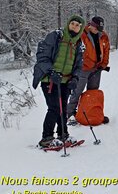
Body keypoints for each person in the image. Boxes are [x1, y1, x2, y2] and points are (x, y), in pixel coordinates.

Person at [32, 15, 85, 147]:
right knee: (54, 108)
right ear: (68, 24)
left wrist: (75, 78)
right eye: (72, 23)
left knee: (63, 109)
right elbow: (42, 56)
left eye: (78, 25)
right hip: (49, 79)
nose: (74, 26)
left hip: (65, 81)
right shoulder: (55, 36)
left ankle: (63, 135)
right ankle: (47, 138)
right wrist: (51, 71)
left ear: (81, 28)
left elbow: (79, 65)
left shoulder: (79, 44)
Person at [66, 16, 110, 124]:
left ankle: (91, 114)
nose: (97, 31)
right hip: (83, 69)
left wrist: (103, 64)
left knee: (93, 93)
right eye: (96, 28)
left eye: (99, 29)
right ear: (90, 25)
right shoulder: (82, 34)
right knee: (77, 91)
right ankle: (70, 114)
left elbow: (106, 50)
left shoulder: (103, 36)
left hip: (96, 68)